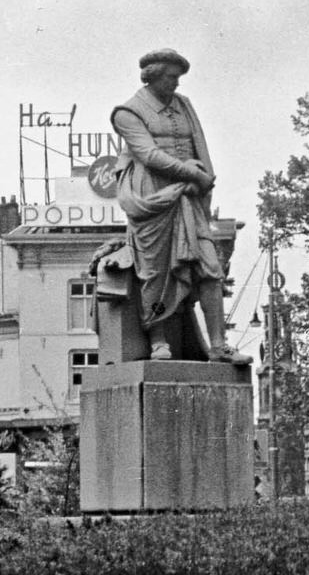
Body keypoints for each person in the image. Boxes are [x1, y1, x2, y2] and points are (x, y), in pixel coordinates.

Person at [105, 48, 251, 365]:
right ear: (154, 75)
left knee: (211, 268)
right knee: (154, 272)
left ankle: (218, 345)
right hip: (153, 200)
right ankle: (158, 341)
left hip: (188, 200)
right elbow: (147, 154)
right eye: (172, 77)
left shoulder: (184, 106)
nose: (176, 84)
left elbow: (200, 145)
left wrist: (203, 181)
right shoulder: (127, 112)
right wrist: (191, 173)